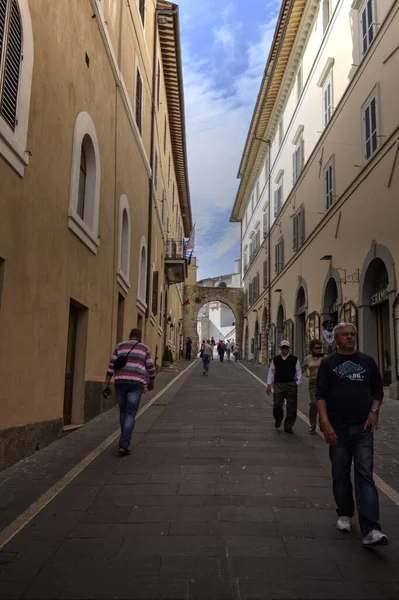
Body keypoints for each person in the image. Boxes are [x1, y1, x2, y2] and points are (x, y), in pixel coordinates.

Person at [316, 322, 387, 547]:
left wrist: (374, 410)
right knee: (340, 473)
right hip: (338, 428)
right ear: (336, 339)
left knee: (365, 474)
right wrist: (325, 422)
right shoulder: (328, 364)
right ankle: (344, 513)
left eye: (353, 334)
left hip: (363, 428)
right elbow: (320, 395)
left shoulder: (367, 362)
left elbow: (377, 390)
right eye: (345, 335)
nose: (350, 337)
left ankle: (372, 528)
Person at [103, 328, 155, 456]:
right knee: (131, 413)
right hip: (136, 384)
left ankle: (124, 438)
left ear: (129, 336)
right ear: (140, 337)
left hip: (120, 382)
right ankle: (124, 443)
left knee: (123, 411)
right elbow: (150, 367)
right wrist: (152, 379)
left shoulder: (120, 346)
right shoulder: (144, 348)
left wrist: (107, 382)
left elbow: (112, 365)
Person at [266, 340, 301, 433]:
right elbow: (271, 371)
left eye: (286, 347)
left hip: (291, 384)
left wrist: (297, 382)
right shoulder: (276, 359)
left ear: (289, 348)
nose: (285, 349)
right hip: (279, 384)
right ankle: (278, 418)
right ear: (281, 348)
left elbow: (298, 372)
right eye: (283, 347)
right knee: (277, 404)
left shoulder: (294, 359)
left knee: (292, 406)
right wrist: (269, 384)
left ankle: (288, 425)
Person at [302, 339, 326, 434]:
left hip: (323, 383)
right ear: (312, 349)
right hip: (313, 383)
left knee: (322, 403)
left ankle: (322, 424)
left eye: (320, 348)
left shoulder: (324, 358)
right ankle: (312, 425)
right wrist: (295, 378)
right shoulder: (308, 358)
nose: (319, 350)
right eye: (317, 348)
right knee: (313, 404)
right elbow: (302, 369)